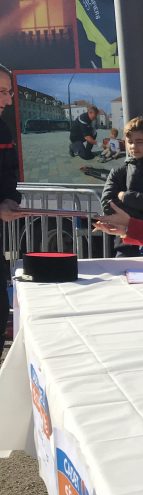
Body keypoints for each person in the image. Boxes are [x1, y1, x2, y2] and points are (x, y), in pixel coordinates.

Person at [100, 117, 143, 225]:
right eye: (130, 142)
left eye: (139, 142)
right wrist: (141, 213)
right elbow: (107, 204)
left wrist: (125, 197)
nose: (133, 146)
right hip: (124, 237)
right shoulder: (119, 171)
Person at [0, 64, 21, 348]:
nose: (8, 100)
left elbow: (9, 173)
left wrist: (9, 200)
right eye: (2, 92)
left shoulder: (3, 129)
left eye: (9, 92)